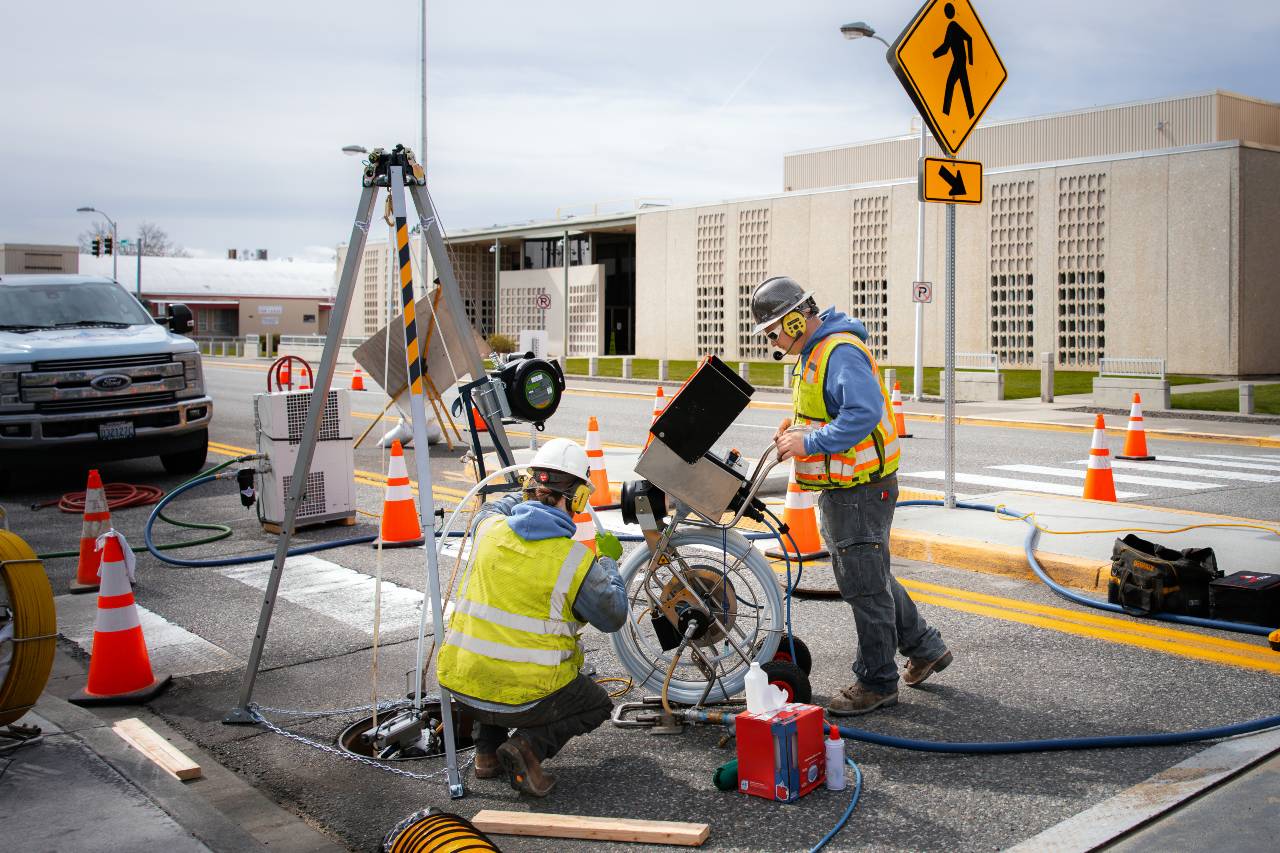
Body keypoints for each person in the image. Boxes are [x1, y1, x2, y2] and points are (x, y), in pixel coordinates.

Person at [750, 276, 952, 715]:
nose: (772, 341)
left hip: (860, 490)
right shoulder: (815, 352)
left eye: (772, 332)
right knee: (870, 576)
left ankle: (877, 682)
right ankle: (925, 648)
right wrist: (796, 428)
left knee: (864, 588)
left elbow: (862, 413)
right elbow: (828, 410)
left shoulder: (839, 351)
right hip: (849, 488)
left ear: (796, 318)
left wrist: (811, 443)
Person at [437, 437, 627, 796]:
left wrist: (529, 490)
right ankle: (527, 747)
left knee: (489, 664)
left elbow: (494, 508)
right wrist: (609, 564)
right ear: (580, 500)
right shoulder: (574, 561)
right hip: (527, 700)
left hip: (460, 687)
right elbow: (613, 616)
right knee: (597, 705)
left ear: (528, 487)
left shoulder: (488, 530)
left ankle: (486, 754)